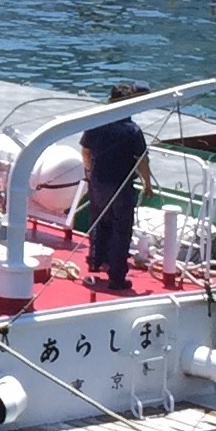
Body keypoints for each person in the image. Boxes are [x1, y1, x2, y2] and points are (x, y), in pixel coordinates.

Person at [77, 84, 149, 293]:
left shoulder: (96, 122)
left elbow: (86, 152)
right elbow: (142, 160)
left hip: (98, 181)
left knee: (99, 221)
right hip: (120, 185)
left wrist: (90, 173)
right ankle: (117, 277)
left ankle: (95, 260)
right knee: (121, 228)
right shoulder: (132, 130)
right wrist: (148, 183)